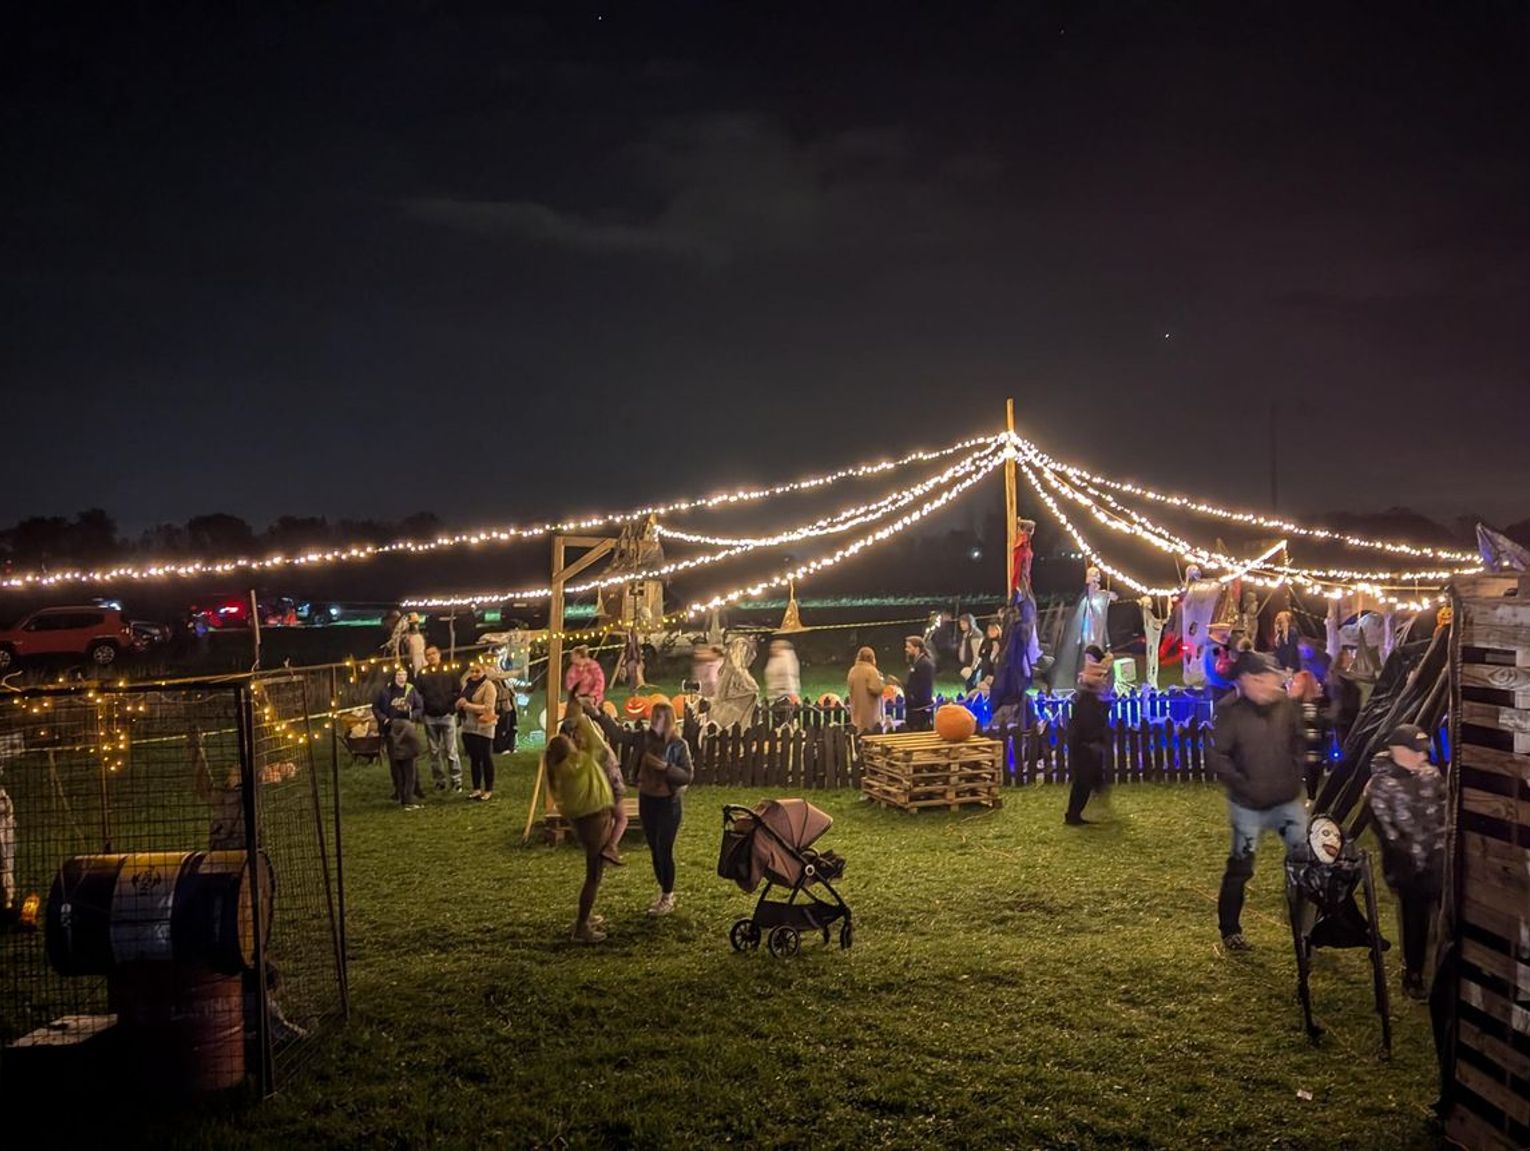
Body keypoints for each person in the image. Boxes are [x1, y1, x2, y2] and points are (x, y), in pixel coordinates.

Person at [1207, 650, 1307, 951]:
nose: (1271, 686)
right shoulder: (1229, 711)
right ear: (1247, 680)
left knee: (1306, 861)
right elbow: (1218, 756)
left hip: (1286, 800)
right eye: (1263, 679)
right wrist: (1245, 786)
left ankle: (1309, 922)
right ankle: (1230, 929)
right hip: (1248, 806)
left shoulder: (1285, 707)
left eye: (1272, 679)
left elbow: (1298, 742)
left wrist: (1294, 776)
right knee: (1240, 867)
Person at [1367, 723, 1446, 999]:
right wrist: (1409, 860)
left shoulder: (1430, 775)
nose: (1422, 757)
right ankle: (1413, 973)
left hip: (1437, 862)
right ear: (1397, 750)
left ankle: (1442, 970)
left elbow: (1444, 810)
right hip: (1407, 868)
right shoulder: (1381, 785)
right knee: (1415, 920)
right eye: (1416, 751)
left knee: (1444, 917)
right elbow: (1387, 830)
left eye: (1424, 751)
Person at [543, 733, 615, 943]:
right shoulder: (577, 766)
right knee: (594, 875)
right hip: (594, 822)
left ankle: (586, 915)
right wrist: (584, 718)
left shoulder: (560, 770)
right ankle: (581, 926)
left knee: (594, 873)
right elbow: (600, 746)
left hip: (584, 823)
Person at [635, 701, 693, 916]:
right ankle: (664, 890)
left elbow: (687, 775)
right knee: (654, 848)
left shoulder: (678, 744)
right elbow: (618, 734)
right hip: (647, 799)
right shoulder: (645, 739)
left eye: (660, 716)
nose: (655, 720)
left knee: (663, 848)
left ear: (668, 720)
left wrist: (667, 768)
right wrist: (596, 714)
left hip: (668, 803)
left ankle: (667, 896)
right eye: (654, 715)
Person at [562, 697, 627, 866]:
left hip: (597, 783)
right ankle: (610, 847)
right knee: (620, 818)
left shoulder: (572, 732)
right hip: (608, 779)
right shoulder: (590, 732)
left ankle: (606, 848)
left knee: (610, 817)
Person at [1065, 648, 1113, 825]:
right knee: (1083, 781)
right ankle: (1073, 815)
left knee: (1086, 779)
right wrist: (1090, 741)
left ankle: (1075, 814)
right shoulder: (1087, 699)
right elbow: (1085, 722)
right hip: (1084, 743)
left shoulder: (1094, 697)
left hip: (1087, 743)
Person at [373, 667, 424, 809]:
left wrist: (412, 716)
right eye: (399, 675)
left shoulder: (411, 689)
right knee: (396, 765)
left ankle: (410, 795)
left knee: (410, 764)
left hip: (408, 730)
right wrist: (384, 719)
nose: (402, 677)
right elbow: (376, 707)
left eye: (404, 674)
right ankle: (400, 793)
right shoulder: (385, 691)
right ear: (394, 676)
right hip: (391, 730)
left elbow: (419, 707)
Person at [415, 645, 462, 792]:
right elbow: (418, 695)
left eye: (433, 653)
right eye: (428, 655)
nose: (431, 657)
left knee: (451, 750)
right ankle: (439, 781)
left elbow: (458, 690)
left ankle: (456, 780)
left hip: (447, 715)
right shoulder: (422, 674)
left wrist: (452, 708)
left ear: (439, 654)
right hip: (430, 717)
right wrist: (423, 711)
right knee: (434, 751)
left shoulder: (450, 670)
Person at [456, 661, 499, 800]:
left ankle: (488, 789)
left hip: (483, 726)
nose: (474, 674)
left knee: (486, 758)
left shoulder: (488, 686)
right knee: (474, 759)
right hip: (468, 726)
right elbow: (461, 702)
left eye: (477, 671)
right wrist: (459, 704)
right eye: (472, 671)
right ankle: (476, 788)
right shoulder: (467, 685)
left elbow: (488, 707)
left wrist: (468, 706)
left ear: (484, 672)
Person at [1327, 646, 1362, 751]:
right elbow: (1337, 697)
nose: (1350, 659)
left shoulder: (1343, 676)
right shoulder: (1338, 677)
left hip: (1347, 716)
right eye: (1348, 656)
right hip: (1343, 716)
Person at [901, 636, 936, 732]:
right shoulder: (916, 663)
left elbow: (924, 686)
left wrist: (912, 697)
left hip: (919, 708)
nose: (906, 649)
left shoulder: (925, 664)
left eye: (909, 647)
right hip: (913, 706)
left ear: (917, 649)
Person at [846, 646, 884, 734]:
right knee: (869, 732)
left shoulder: (852, 670)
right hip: (869, 711)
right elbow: (876, 689)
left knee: (858, 731)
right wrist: (881, 681)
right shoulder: (872, 671)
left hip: (856, 708)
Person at [955, 614, 983, 690]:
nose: (961, 626)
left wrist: (972, 667)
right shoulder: (966, 634)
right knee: (968, 686)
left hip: (973, 666)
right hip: (967, 664)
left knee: (972, 686)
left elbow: (976, 653)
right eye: (961, 624)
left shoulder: (975, 635)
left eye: (964, 623)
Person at [977, 621, 1003, 686]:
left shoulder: (1001, 641)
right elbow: (980, 653)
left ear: (998, 631)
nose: (991, 632)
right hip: (986, 666)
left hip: (996, 666)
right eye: (989, 630)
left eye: (993, 630)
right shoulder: (985, 641)